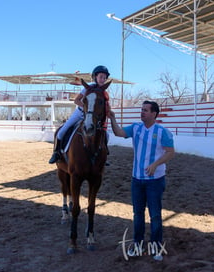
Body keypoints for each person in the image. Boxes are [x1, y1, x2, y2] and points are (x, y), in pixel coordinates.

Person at [108, 100, 175, 260]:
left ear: (154, 114)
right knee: (138, 214)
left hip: (155, 181)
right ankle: (137, 243)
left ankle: (156, 246)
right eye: (142, 109)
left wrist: (156, 164)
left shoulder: (162, 132)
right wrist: (112, 119)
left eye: (145, 110)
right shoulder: (136, 127)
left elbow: (170, 152)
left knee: (155, 214)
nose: (142, 112)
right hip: (136, 179)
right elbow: (118, 132)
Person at [48, 65, 111, 164]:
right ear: (95, 77)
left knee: (106, 135)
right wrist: (87, 108)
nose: (102, 79)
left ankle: (103, 154)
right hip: (81, 113)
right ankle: (56, 153)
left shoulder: (103, 92)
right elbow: (76, 100)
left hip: (93, 117)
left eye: (104, 77)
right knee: (62, 131)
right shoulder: (87, 88)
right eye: (101, 77)